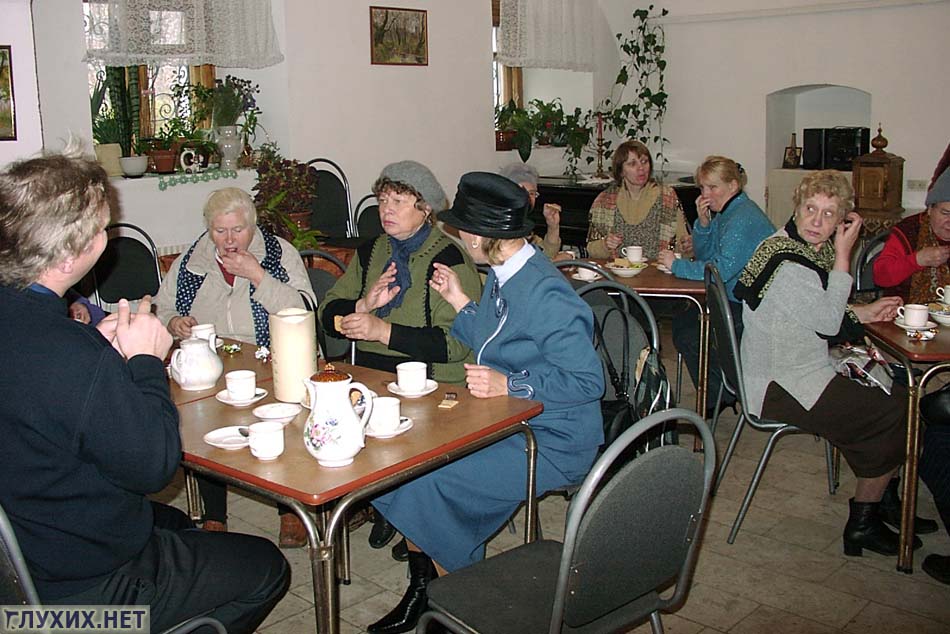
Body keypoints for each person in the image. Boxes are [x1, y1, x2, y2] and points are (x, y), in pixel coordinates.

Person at [0, 148, 289, 633]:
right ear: (74, 251)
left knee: (177, 525)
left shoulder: (36, 330)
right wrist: (144, 361)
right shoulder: (68, 352)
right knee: (266, 566)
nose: (107, 236)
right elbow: (154, 466)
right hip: (83, 589)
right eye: (102, 228)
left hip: (23, 551)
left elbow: (45, 392)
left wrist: (96, 347)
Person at [365, 172, 605, 634]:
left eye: (460, 228)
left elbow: (586, 381)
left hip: (554, 438)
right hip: (513, 421)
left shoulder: (546, 292)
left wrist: (510, 383)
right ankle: (434, 593)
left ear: (478, 236)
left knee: (428, 486)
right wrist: (459, 302)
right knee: (408, 464)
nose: (455, 234)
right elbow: (498, 340)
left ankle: (454, 605)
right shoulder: (505, 272)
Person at [734, 170, 932, 558]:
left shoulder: (794, 247)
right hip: (781, 385)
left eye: (829, 213)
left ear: (842, 218)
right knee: (898, 410)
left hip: (796, 368)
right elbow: (827, 322)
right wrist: (845, 254)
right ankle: (863, 521)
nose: (817, 221)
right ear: (797, 208)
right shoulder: (790, 261)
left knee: (891, 389)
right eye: (810, 209)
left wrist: (864, 311)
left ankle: (885, 496)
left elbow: (819, 312)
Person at [318, 160, 482, 557]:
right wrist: (361, 304)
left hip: (436, 384)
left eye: (398, 200)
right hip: (373, 377)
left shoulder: (448, 258)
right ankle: (383, 504)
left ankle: (403, 512)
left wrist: (381, 331)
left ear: (425, 208)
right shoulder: (373, 249)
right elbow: (326, 313)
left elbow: (456, 345)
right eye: (381, 199)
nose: (385, 209)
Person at [154, 186, 315, 546]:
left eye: (237, 230)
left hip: (270, 357)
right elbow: (163, 307)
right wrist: (174, 322)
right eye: (219, 231)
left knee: (279, 424)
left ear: (253, 226)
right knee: (204, 427)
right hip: (214, 363)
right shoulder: (191, 263)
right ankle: (214, 517)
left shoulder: (278, 255)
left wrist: (258, 275)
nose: (228, 240)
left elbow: (303, 309)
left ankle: (288, 509)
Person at [658, 156, 774, 415]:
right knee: (685, 324)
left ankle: (720, 390)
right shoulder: (729, 210)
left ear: (733, 186)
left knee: (688, 330)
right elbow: (705, 257)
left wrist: (676, 265)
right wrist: (704, 223)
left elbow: (720, 269)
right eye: (702, 188)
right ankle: (717, 391)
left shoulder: (742, 218)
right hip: (733, 299)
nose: (705, 194)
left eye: (713, 187)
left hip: (752, 308)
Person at [586, 139, 688, 261]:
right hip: (618, 272)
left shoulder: (667, 197)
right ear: (621, 171)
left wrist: (687, 246)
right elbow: (591, 249)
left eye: (644, 162)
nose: (641, 168)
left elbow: (683, 243)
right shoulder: (604, 200)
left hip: (657, 274)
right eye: (632, 164)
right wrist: (605, 245)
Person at [873, 168, 950, 303]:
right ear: (930, 209)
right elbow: (881, 276)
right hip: (904, 312)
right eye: (945, 213)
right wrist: (917, 260)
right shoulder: (909, 230)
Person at [498, 162, 573, 261]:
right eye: (522, 192)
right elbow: (519, 269)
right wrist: (554, 263)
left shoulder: (524, 223)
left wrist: (553, 226)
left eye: (532, 193)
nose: (528, 198)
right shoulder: (500, 224)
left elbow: (545, 254)